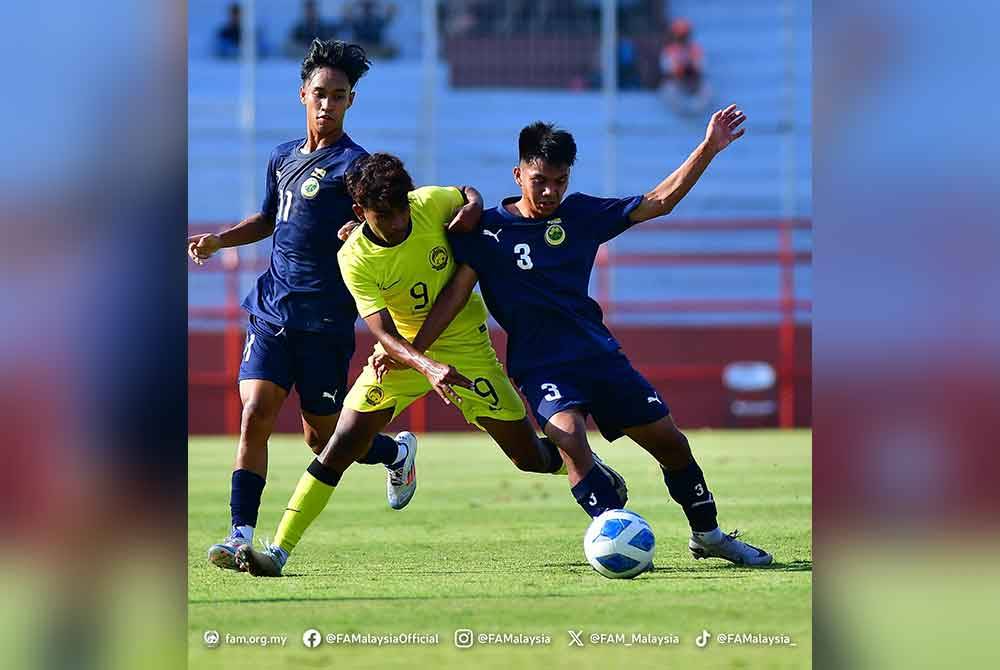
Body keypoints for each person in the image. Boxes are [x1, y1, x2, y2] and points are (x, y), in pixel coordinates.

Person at [376, 111, 773, 566]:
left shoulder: (581, 214)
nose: (550, 192)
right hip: (540, 365)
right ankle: (614, 536)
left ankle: (709, 535)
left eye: (560, 181)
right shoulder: (484, 231)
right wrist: (414, 349)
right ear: (518, 174)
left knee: (671, 444)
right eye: (540, 181)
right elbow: (450, 290)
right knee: (568, 439)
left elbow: (659, 201)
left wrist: (708, 148)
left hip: (597, 355)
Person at [235, 153, 627, 577]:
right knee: (340, 444)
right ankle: (278, 551)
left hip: (466, 349)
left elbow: (467, 192)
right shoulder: (354, 256)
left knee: (528, 456)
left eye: (401, 209)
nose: (398, 222)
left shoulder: (428, 203)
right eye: (384, 216)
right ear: (360, 213)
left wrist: (473, 205)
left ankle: (584, 463)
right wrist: (426, 365)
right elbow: (383, 333)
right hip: (400, 357)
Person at [188, 40, 410, 572]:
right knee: (254, 415)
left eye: (338, 95)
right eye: (319, 93)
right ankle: (240, 535)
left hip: (325, 321)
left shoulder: (355, 165)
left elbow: (387, 221)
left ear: (351, 101)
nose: (327, 104)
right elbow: (269, 219)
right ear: (302, 95)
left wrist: (360, 230)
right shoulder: (282, 156)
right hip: (272, 310)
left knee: (322, 437)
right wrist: (220, 240)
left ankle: (396, 452)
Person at [659, 18, 711, 115]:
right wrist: (681, 69)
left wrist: (690, 68)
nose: (682, 38)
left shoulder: (695, 49)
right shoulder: (669, 50)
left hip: (693, 81)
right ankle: (681, 113)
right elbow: (668, 70)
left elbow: (701, 68)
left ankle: (695, 112)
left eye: (684, 35)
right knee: (668, 88)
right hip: (677, 82)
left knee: (707, 89)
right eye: (680, 35)